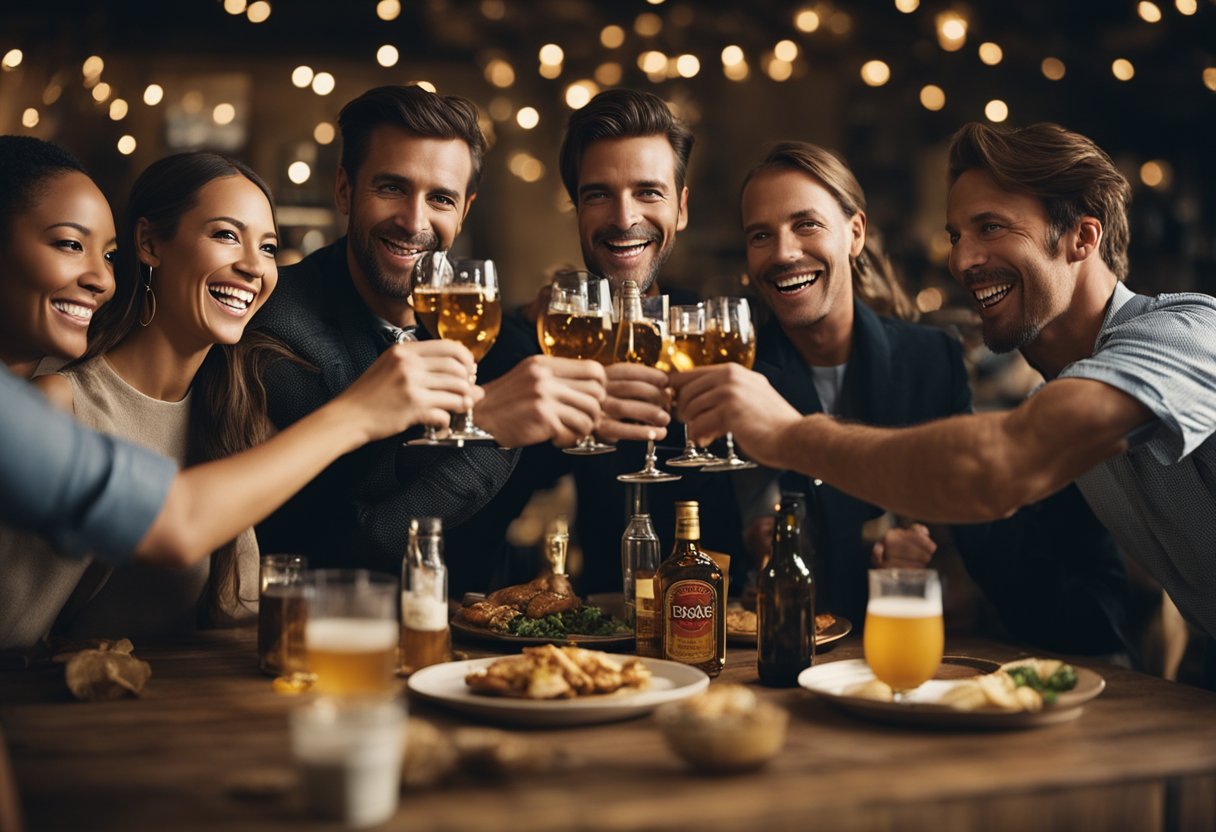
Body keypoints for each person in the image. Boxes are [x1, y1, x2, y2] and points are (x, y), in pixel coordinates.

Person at [674, 123, 1216, 659]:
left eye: (992, 228)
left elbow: (995, 469)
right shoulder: (1055, 400)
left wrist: (788, 434)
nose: (961, 261)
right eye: (957, 236)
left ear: (1083, 237)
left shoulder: (1187, 333)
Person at [0, 151, 478, 650]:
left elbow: (239, 616)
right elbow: (13, 651)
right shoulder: (61, 405)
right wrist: (359, 412)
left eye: (268, 247)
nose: (254, 266)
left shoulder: (234, 399)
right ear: (149, 244)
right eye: (226, 235)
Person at [732, 141, 1129, 652]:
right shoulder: (733, 369)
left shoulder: (930, 359)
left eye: (806, 224)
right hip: (771, 652)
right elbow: (725, 538)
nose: (784, 252)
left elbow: (983, 532)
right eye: (760, 235)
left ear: (855, 234)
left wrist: (924, 553)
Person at [251, 85, 607, 580]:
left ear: (463, 211)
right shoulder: (281, 329)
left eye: (440, 198)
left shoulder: (486, 331)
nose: (414, 221)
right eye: (392, 188)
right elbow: (341, 552)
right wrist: (487, 433)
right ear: (345, 190)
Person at [445, 89, 745, 595]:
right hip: (588, 637)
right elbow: (466, 541)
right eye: (598, 194)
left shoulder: (711, 339)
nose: (624, 218)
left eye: (649, 192)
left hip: (713, 633)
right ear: (577, 209)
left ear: (682, 207)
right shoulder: (530, 344)